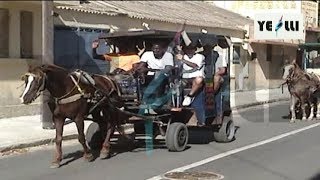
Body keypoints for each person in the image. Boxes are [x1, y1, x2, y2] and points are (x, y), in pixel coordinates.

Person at [135, 41, 174, 114]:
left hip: (164, 77)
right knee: (138, 77)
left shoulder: (168, 55)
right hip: (149, 76)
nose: (155, 51)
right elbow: (140, 67)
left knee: (159, 76)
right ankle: (141, 100)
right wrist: (140, 71)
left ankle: (154, 102)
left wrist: (148, 69)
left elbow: (167, 70)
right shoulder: (147, 54)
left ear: (163, 49)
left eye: (158, 49)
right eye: (154, 49)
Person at [176, 42, 206, 106]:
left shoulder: (200, 56)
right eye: (187, 49)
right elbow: (177, 67)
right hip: (185, 78)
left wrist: (183, 60)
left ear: (195, 49)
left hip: (196, 77)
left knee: (199, 80)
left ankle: (189, 96)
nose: (189, 50)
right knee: (176, 83)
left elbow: (195, 66)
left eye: (191, 49)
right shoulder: (182, 56)